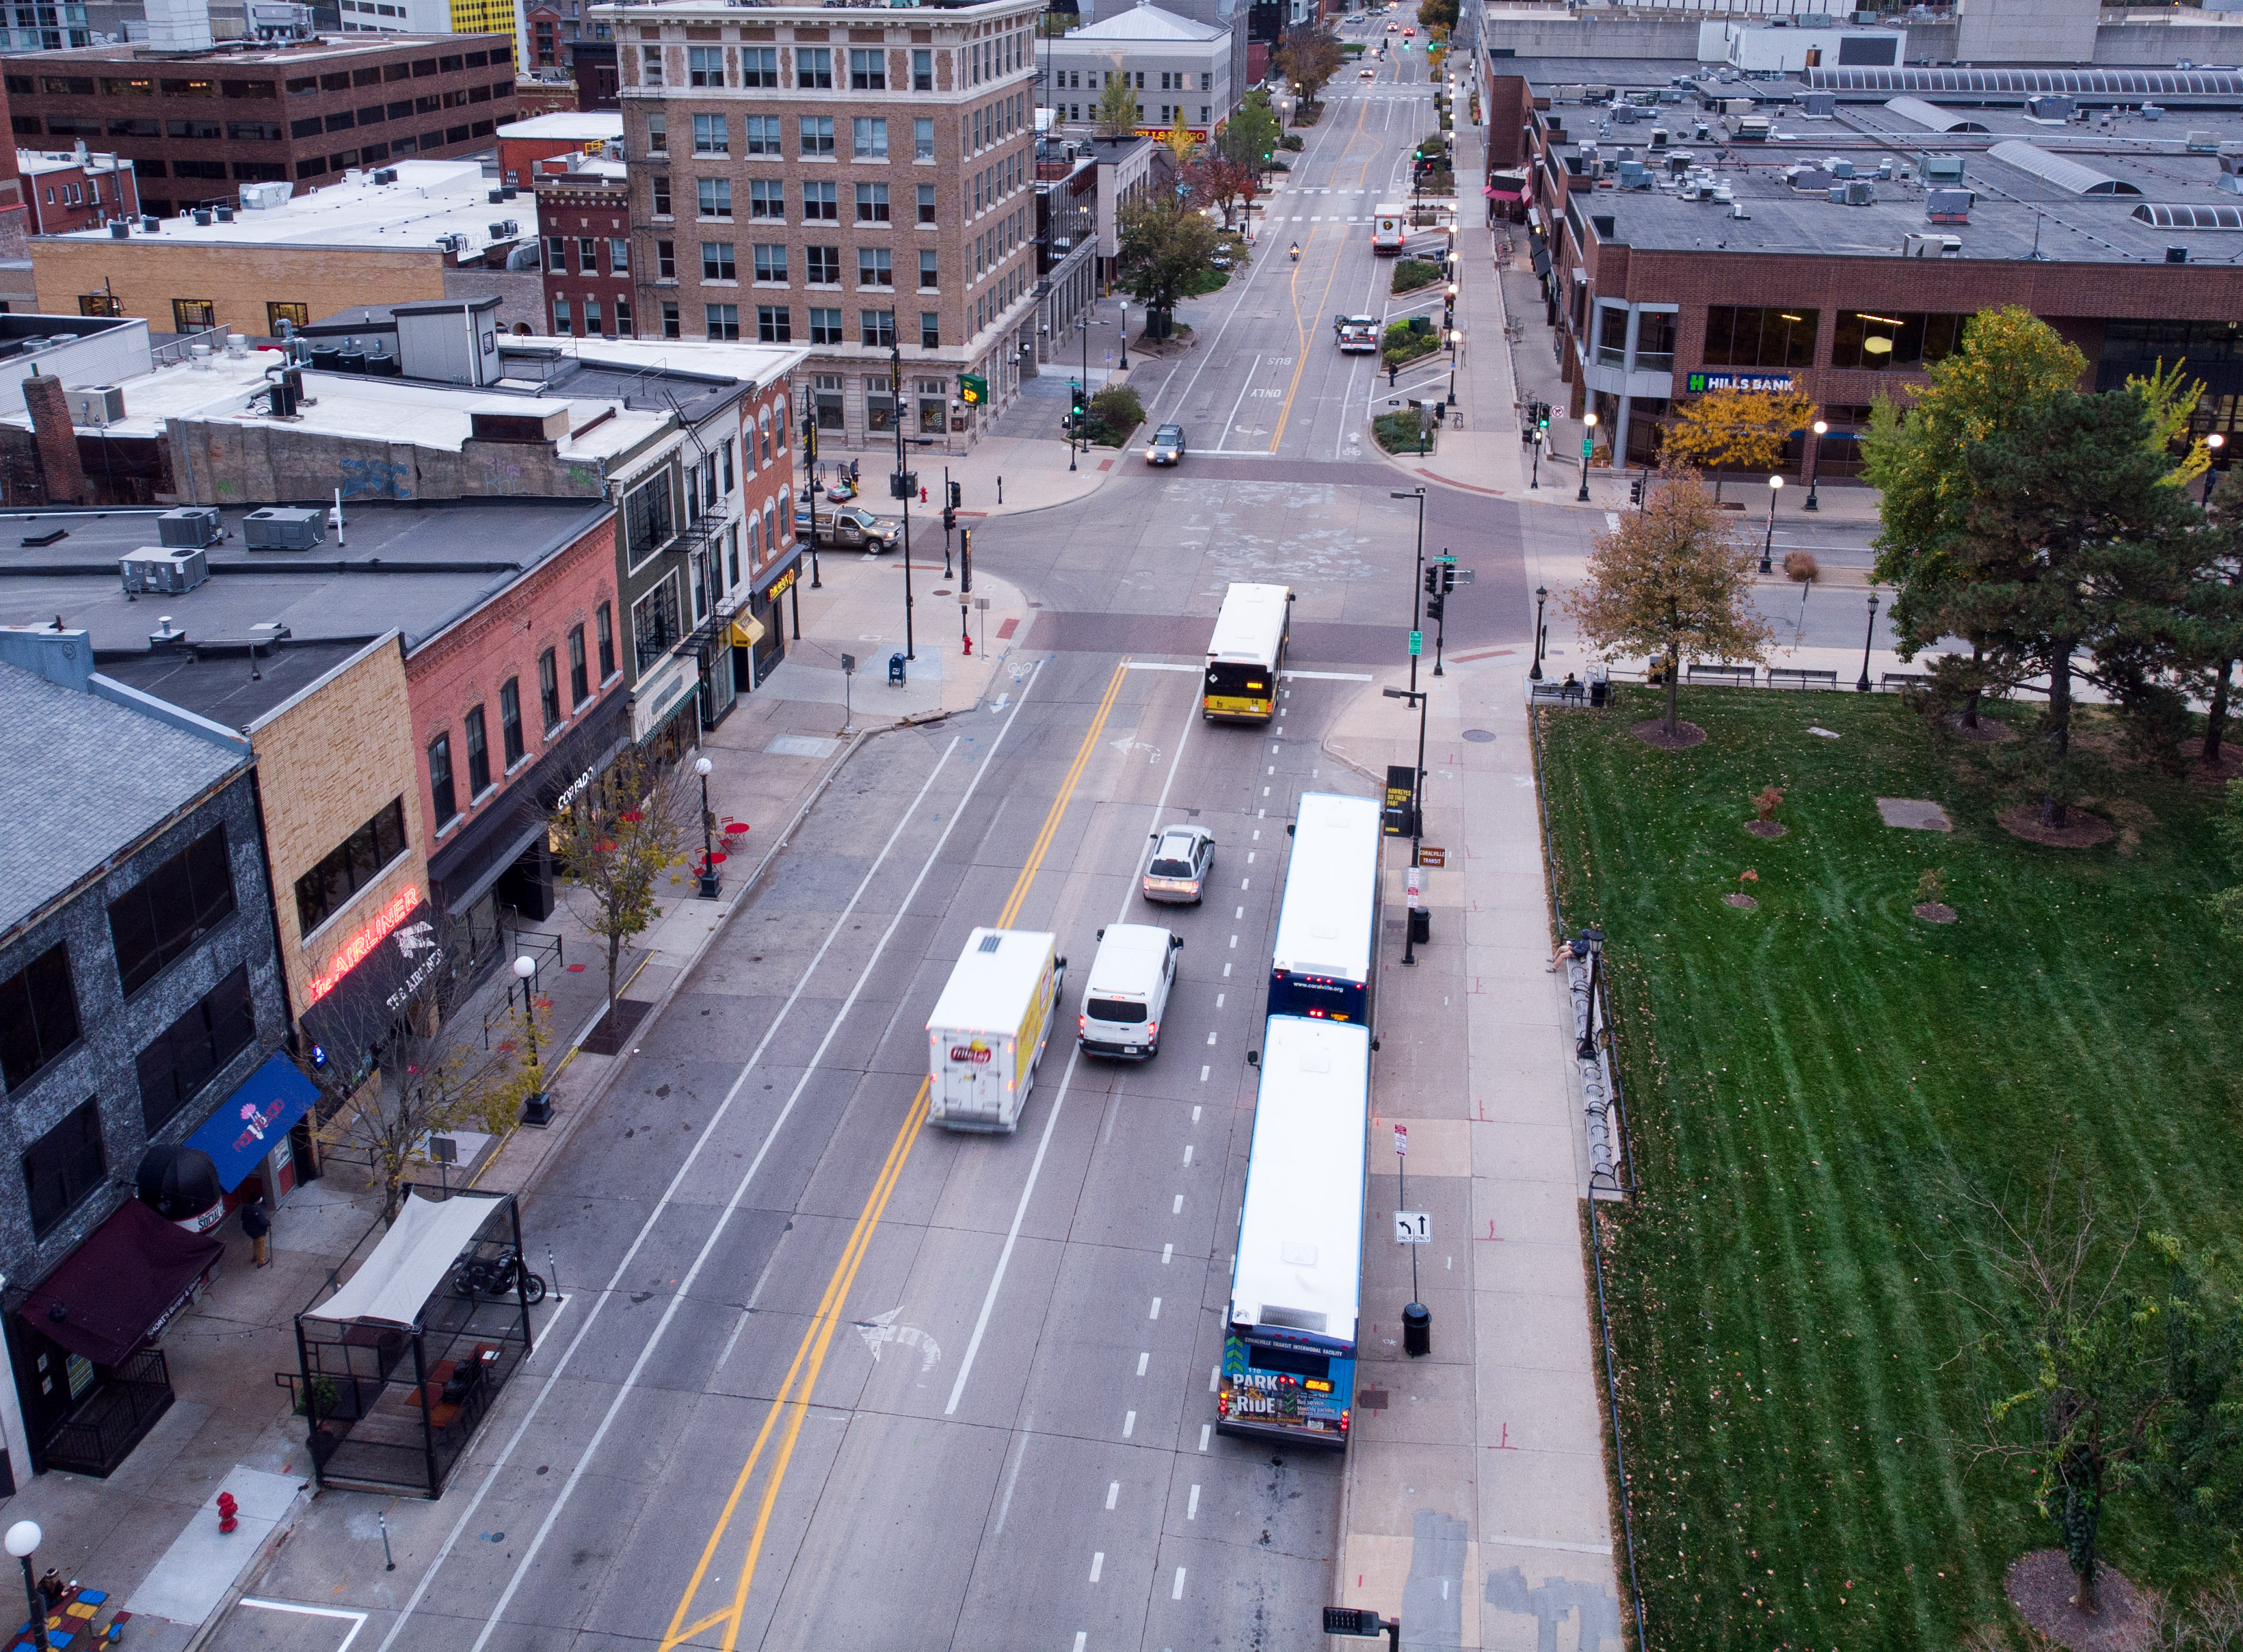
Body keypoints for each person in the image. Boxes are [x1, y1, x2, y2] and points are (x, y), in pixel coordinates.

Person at [241, 1197, 271, 1268]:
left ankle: (256, 1256)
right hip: (258, 1231)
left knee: (255, 1242)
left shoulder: (246, 1207)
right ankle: (261, 1261)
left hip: (249, 1230)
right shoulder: (256, 1209)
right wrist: (268, 1223)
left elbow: (242, 1218)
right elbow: (262, 1221)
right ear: (257, 1200)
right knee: (261, 1245)